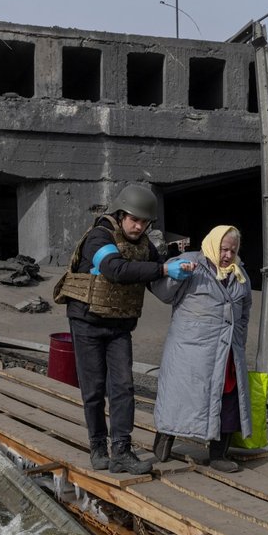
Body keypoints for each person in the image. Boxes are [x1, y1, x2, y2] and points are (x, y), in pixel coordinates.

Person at [54, 183, 193, 474]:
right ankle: (97, 448)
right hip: (87, 321)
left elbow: (157, 274)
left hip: (119, 325)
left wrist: (184, 271)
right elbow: (114, 269)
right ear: (121, 213)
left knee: (123, 387)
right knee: (93, 390)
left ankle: (121, 451)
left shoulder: (144, 245)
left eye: (144, 221)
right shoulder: (99, 236)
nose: (138, 225)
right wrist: (165, 269)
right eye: (134, 219)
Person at [150, 225, 253, 473]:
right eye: (223, 249)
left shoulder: (240, 275)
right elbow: (161, 291)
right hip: (190, 351)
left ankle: (218, 454)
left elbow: (245, 313)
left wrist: (238, 342)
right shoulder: (189, 263)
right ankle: (164, 439)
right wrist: (176, 276)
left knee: (227, 399)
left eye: (233, 250)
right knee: (181, 395)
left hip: (226, 351)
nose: (227, 255)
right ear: (213, 244)